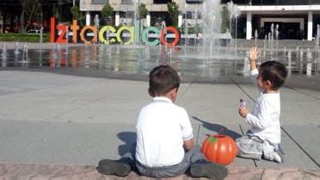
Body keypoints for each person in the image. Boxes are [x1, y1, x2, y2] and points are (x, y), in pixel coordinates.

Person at [97, 65, 228, 178]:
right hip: (173, 168)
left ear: (149, 91)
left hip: (143, 168)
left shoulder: (143, 111)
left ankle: (125, 163)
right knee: (195, 149)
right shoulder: (180, 112)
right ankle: (200, 164)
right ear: (174, 92)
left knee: (134, 146)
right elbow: (188, 145)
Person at [236, 47, 287, 163]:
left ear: (267, 83)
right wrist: (252, 61)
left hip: (263, 137)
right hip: (267, 136)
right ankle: (272, 146)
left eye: (259, 76)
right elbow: (255, 79)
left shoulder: (267, 101)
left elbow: (262, 123)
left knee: (236, 148)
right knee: (241, 140)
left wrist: (247, 115)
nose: (256, 77)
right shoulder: (270, 91)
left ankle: (266, 151)